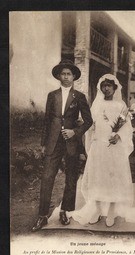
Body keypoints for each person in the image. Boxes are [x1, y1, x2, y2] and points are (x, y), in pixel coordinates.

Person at [69, 74, 135, 227]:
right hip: (99, 147)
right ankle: (96, 209)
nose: (106, 88)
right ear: (100, 88)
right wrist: (83, 125)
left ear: (115, 87)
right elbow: (90, 124)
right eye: (104, 85)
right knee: (98, 178)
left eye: (109, 85)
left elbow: (127, 127)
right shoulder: (96, 105)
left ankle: (111, 211)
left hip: (114, 148)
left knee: (113, 179)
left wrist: (118, 136)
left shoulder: (121, 105)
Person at [32, 60, 93, 231]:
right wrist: (44, 143)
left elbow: (88, 121)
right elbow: (47, 120)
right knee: (47, 177)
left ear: (74, 77)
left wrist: (75, 131)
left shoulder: (79, 97)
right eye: (63, 74)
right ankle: (42, 216)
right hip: (53, 142)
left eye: (69, 74)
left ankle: (65, 211)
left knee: (71, 178)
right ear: (59, 76)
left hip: (71, 142)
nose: (65, 77)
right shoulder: (52, 95)